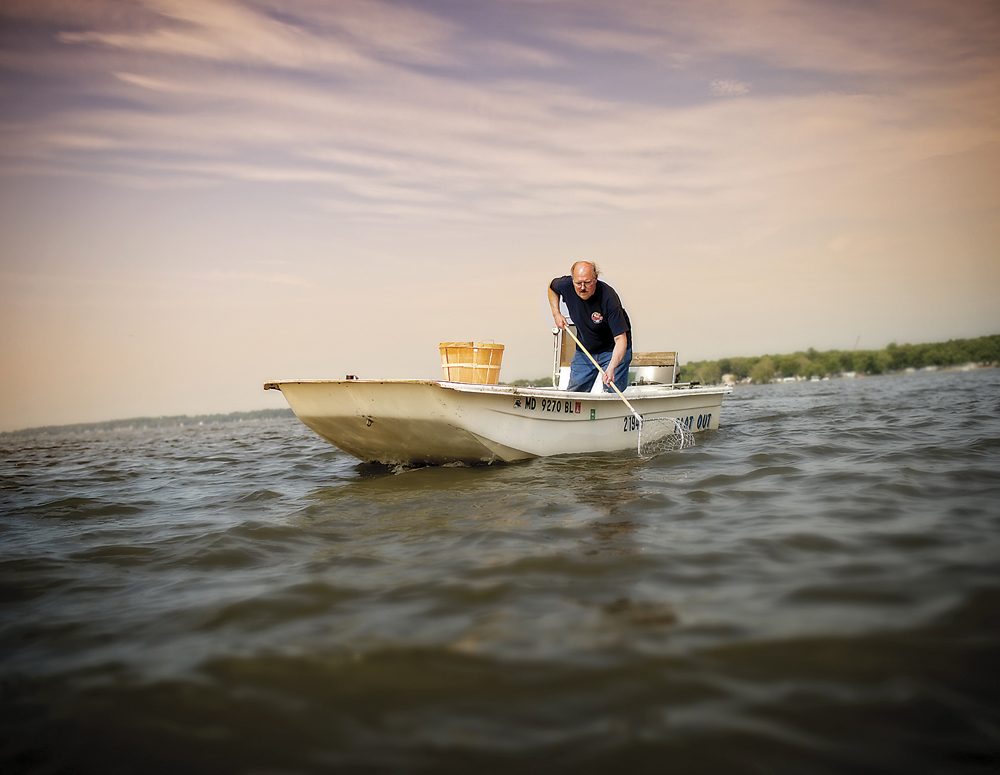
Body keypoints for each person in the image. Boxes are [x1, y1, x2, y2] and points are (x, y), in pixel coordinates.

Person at [548, 261, 632, 393]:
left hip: (613, 350)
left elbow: (621, 340)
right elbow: (552, 287)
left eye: (587, 283)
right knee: (575, 393)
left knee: (611, 393)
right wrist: (556, 313)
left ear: (595, 279)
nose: (582, 287)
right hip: (585, 349)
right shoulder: (565, 285)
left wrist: (611, 368)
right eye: (578, 283)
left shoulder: (609, 298)